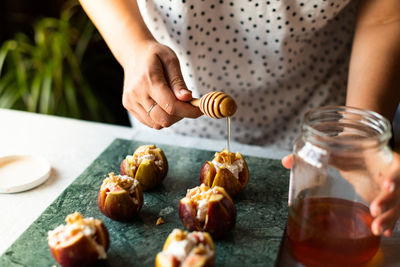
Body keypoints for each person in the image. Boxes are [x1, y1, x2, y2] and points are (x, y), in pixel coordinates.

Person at [79, 0, 400, 237]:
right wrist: (132, 46)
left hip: (320, 139)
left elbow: (386, 15)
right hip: (171, 116)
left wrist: (359, 137)